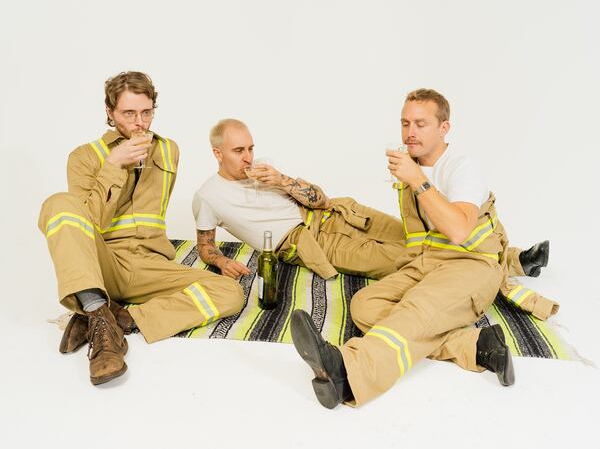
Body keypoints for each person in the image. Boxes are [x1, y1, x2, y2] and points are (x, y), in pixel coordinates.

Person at [290, 88, 541, 409]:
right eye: (405, 123)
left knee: (415, 309)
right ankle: (474, 345)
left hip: (472, 265)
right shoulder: (414, 165)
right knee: (365, 306)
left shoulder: (462, 168)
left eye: (421, 124)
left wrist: (418, 181)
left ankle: (345, 371)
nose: (410, 132)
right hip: (427, 263)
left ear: (444, 127)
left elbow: (459, 229)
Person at [192, 119, 556, 319]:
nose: (248, 156)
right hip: (306, 242)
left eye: (251, 147)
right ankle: (504, 272)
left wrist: (283, 179)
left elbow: (320, 199)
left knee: (416, 238)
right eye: (239, 150)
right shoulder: (208, 196)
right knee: (407, 260)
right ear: (217, 152)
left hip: (335, 213)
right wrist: (222, 261)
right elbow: (204, 246)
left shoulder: (267, 173)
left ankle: (515, 259)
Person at [38, 71, 244, 385]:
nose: (139, 123)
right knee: (58, 203)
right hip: (104, 263)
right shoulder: (83, 157)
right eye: (129, 113)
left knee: (230, 292)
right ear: (110, 112)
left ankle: (118, 317)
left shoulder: (168, 150)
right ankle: (101, 325)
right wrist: (113, 166)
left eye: (146, 112)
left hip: (152, 266)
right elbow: (88, 223)